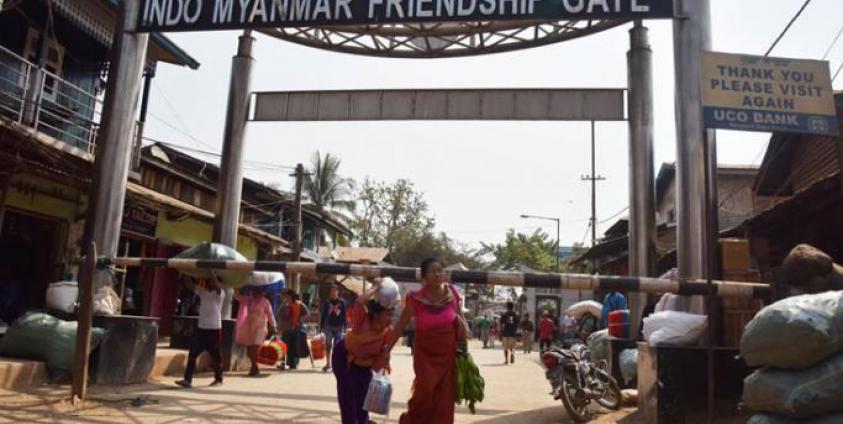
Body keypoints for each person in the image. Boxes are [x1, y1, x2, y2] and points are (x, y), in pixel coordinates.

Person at [388, 258, 466, 424]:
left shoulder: (452, 293)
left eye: (440, 270)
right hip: (425, 356)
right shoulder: (415, 299)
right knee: (426, 390)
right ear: (423, 277)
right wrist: (386, 351)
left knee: (444, 398)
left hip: (448, 355)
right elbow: (400, 326)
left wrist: (464, 347)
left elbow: (461, 320)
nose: (438, 274)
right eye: (433, 271)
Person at [333, 278, 397, 424]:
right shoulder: (362, 319)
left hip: (363, 367)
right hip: (343, 357)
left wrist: (384, 360)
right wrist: (376, 287)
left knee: (364, 399)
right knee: (347, 394)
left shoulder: (387, 333)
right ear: (376, 314)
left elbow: (378, 363)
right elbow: (360, 302)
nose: (390, 318)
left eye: (392, 314)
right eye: (388, 314)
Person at [176, 276, 225, 388]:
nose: (210, 282)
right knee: (192, 353)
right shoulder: (203, 292)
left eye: (213, 281)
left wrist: (210, 273)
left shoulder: (220, 294)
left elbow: (217, 286)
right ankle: (187, 380)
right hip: (201, 328)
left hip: (214, 328)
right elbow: (191, 285)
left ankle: (219, 379)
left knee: (216, 355)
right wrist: (185, 273)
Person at [234, 286, 276, 377]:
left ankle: (254, 367)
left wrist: (273, 326)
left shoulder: (265, 301)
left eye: (257, 290)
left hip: (260, 328)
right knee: (249, 351)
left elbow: (270, 314)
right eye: (253, 290)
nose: (254, 292)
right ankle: (254, 367)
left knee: (254, 349)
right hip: (249, 327)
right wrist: (235, 286)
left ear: (261, 292)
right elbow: (236, 297)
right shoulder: (248, 300)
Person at [277, 289, 310, 370]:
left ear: (291, 296)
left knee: (295, 346)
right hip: (286, 328)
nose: (286, 297)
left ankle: (293, 364)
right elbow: (279, 314)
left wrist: (300, 320)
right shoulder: (284, 305)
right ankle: (283, 363)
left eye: (287, 296)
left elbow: (307, 313)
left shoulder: (299, 304)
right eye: (285, 296)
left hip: (296, 328)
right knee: (284, 346)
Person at [321, 286, 347, 372]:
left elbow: (344, 315)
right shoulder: (327, 302)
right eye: (332, 291)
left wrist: (345, 326)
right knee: (328, 344)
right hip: (329, 326)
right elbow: (323, 314)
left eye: (335, 291)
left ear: (338, 292)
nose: (333, 293)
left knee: (337, 346)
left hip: (339, 326)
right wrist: (321, 326)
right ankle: (328, 363)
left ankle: (336, 364)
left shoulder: (342, 302)